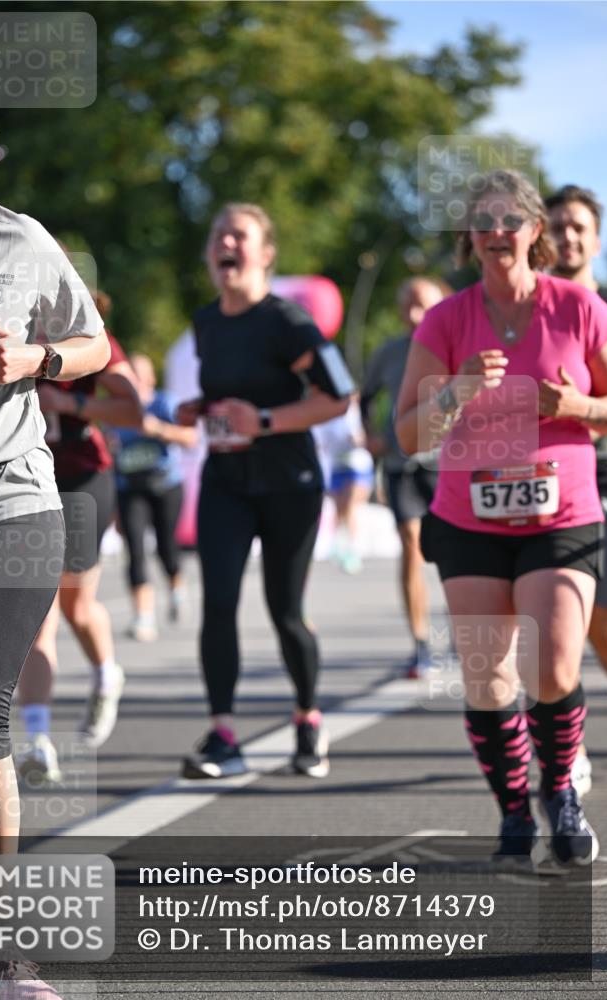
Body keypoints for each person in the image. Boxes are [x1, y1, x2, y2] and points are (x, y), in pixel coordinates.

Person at [0, 54, 110, 994]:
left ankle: (4, 942)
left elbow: (94, 345)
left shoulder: (18, 240)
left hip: (8, 501)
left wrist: (38, 357)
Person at [396, 169, 607, 866]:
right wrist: (453, 392)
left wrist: (576, 409)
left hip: (563, 513)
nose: (495, 233)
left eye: (508, 220)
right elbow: (405, 434)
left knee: (550, 666)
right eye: (481, 222)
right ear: (468, 237)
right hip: (470, 518)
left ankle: (561, 791)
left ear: (533, 231)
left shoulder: (577, 308)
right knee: (488, 680)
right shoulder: (445, 320)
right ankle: (513, 809)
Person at [177, 203, 351, 780]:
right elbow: (232, 389)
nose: (226, 243)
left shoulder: (289, 322)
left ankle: (307, 718)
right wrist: (203, 409)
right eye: (217, 234)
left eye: (240, 235)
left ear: (266, 253)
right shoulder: (206, 322)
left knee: (286, 612)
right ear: (208, 253)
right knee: (218, 603)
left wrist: (266, 421)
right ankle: (223, 734)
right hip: (227, 482)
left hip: (288, 484)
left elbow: (338, 396)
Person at [15, 290, 142, 785]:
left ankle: (107, 671)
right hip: (28, 483)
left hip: (84, 482)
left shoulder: (92, 341)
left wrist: (69, 401)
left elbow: (134, 410)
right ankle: (39, 742)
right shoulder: (4, 337)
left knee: (76, 605)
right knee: (36, 613)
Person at [546, 185, 607, 797]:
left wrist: (582, 405)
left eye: (578, 227)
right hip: (557, 490)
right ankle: (574, 747)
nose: (567, 237)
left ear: (597, 237)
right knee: (573, 622)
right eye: (557, 226)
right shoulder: (528, 312)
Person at [361, 277, 448, 675]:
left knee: (455, 551)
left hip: (448, 464)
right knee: (411, 545)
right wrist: (371, 436)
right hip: (401, 465)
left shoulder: (456, 346)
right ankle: (421, 643)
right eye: (407, 306)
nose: (414, 315)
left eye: (423, 306)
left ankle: (469, 633)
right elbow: (364, 397)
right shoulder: (390, 352)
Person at [114, 352, 197, 641]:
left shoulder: (165, 403)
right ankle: (144, 617)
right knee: (135, 550)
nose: (133, 380)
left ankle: (176, 586)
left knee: (166, 548)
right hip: (130, 487)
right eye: (128, 375)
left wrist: (158, 429)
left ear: (150, 378)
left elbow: (191, 438)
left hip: (165, 486)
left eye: (138, 374)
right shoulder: (115, 410)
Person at [312, 394, 374, 574]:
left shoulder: (352, 412)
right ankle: (340, 547)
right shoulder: (325, 417)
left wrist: (358, 439)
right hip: (336, 467)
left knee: (351, 508)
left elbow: (361, 437)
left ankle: (354, 549)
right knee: (339, 512)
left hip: (357, 466)